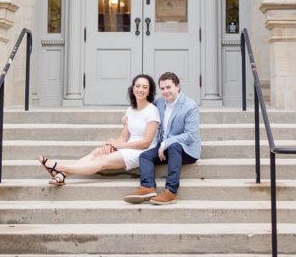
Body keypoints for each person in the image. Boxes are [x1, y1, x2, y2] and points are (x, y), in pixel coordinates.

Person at [38, 74, 159, 186]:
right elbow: (123, 137)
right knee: (98, 152)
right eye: (137, 86)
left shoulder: (152, 111)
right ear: (132, 88)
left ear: (149, 91)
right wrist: (110, 145)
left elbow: (146, 143)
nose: (140, 90)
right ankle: (61, 175)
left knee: (101, 160)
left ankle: (60, 167)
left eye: (144, 87)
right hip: (128, 147)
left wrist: (119, 145)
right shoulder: (130, 110)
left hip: (142, 152)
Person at [123, 71, 201, 206]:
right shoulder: (159, 102)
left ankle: (171, 191)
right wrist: (127, 118)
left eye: (169, 87)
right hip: (164, 148)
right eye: (162, 88)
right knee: (145, 156)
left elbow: (191, 136)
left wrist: (167, 142)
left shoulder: (190, 106)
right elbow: (141, 107)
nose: (165, 91)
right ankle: (147, 187)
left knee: (174, 146)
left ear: (177, 86)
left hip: (186, 149)